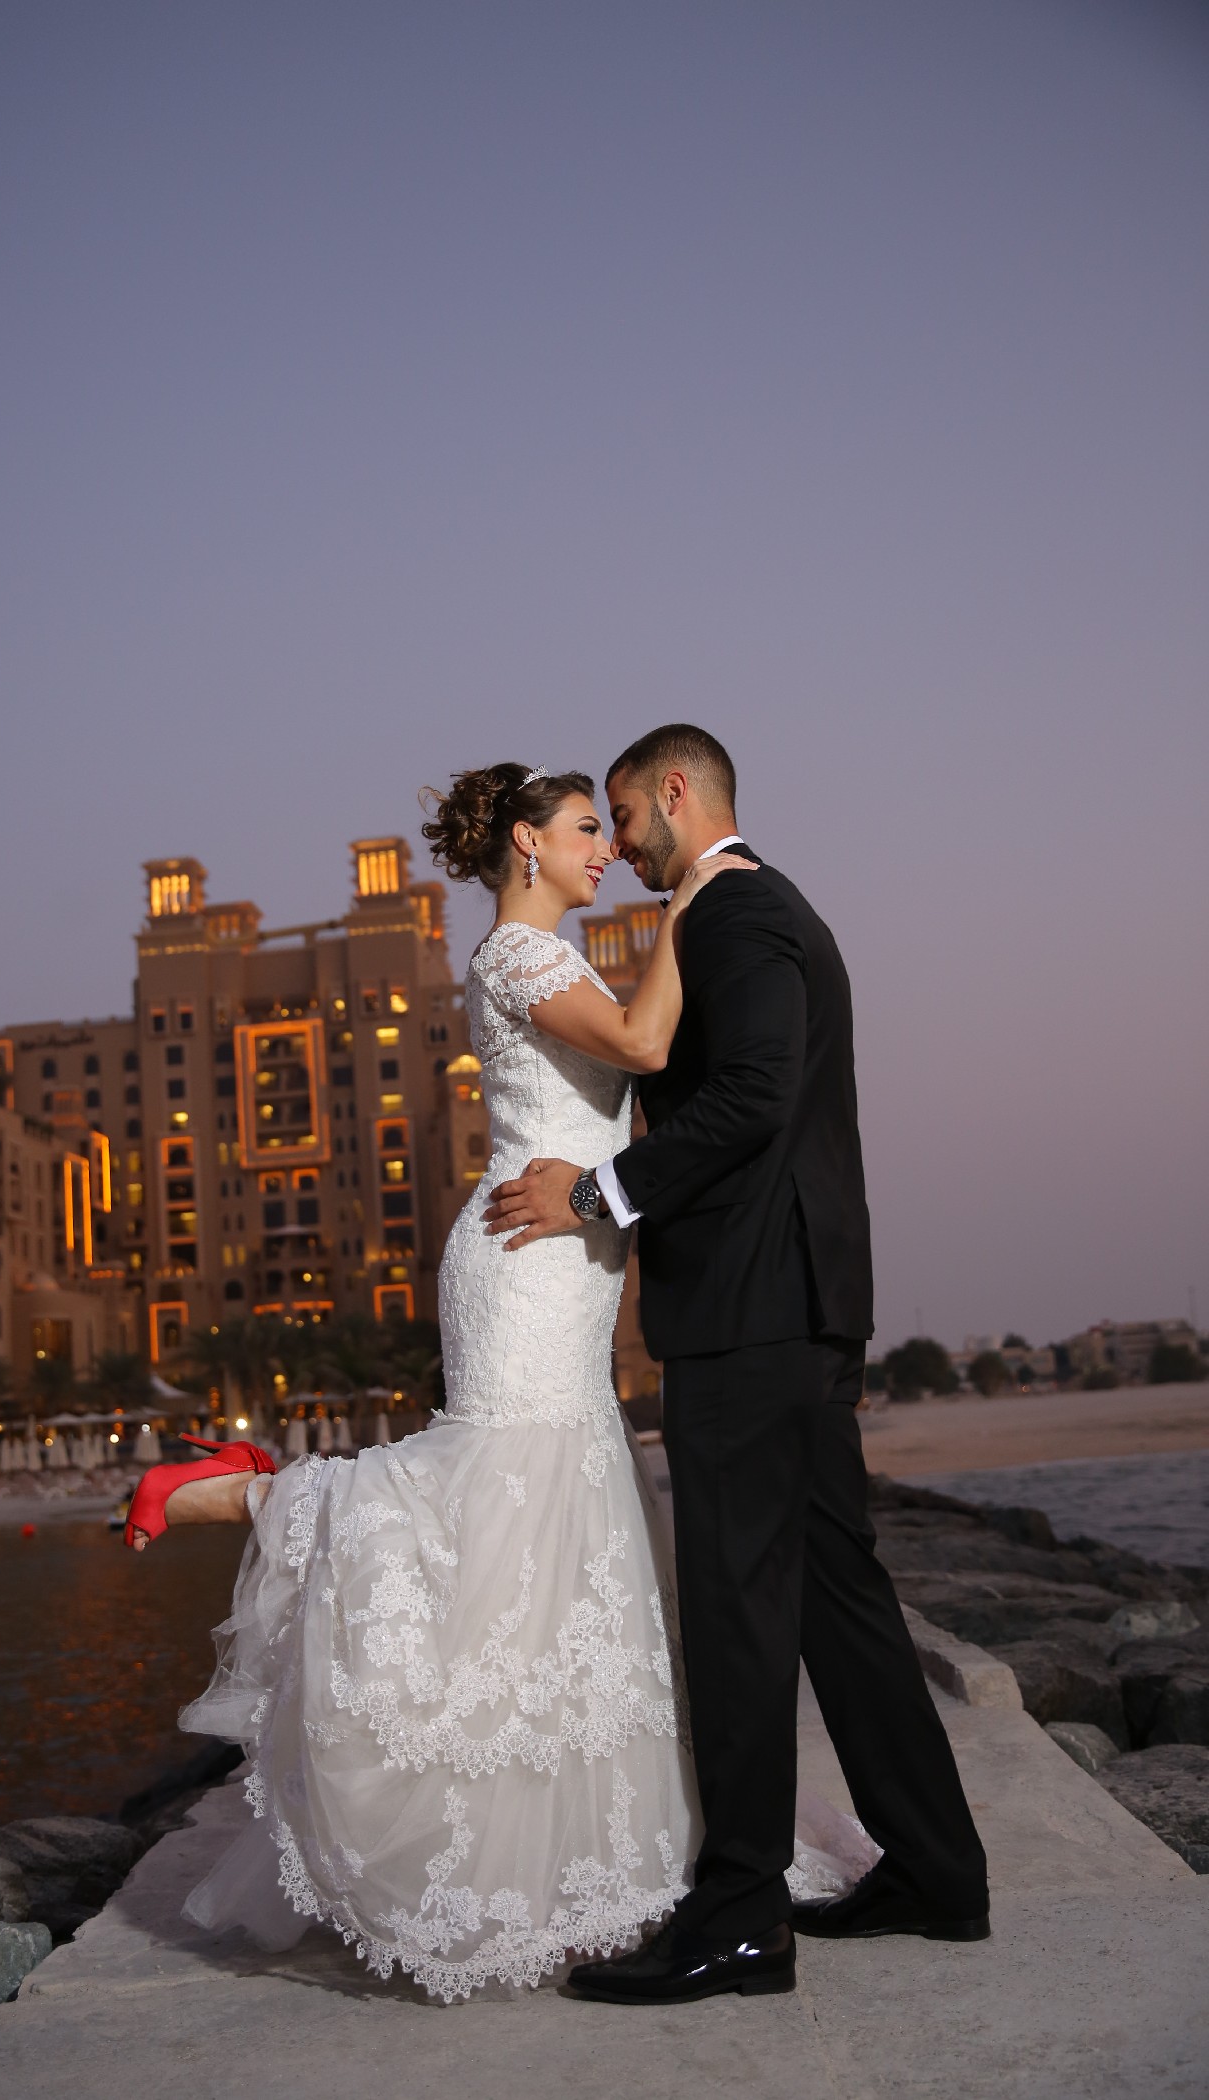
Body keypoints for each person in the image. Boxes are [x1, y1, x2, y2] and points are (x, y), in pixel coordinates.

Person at [123, 759, 874, 2004]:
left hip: (568, 1264)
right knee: (489, 1495)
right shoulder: (518, 957)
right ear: (526, 843)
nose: (605, 850)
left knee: (555, 1527)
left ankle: (595, 1848)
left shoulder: (553, 955)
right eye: (584, 829)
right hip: (523, 1263)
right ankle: (244, 1492)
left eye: (608, 829)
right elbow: (644, 1042)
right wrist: (692, 904)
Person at [489, 724, 990, 2006]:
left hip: (751, 1310)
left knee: (735, 1611)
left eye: (622, 815)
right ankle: (936, 1870)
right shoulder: (766, 906)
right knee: (834, 1599)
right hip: (795, 1302)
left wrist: (598, 1190)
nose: (619, 844)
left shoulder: (732, 912)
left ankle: (736, 1921)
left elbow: (754, 1092)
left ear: (674, 792)